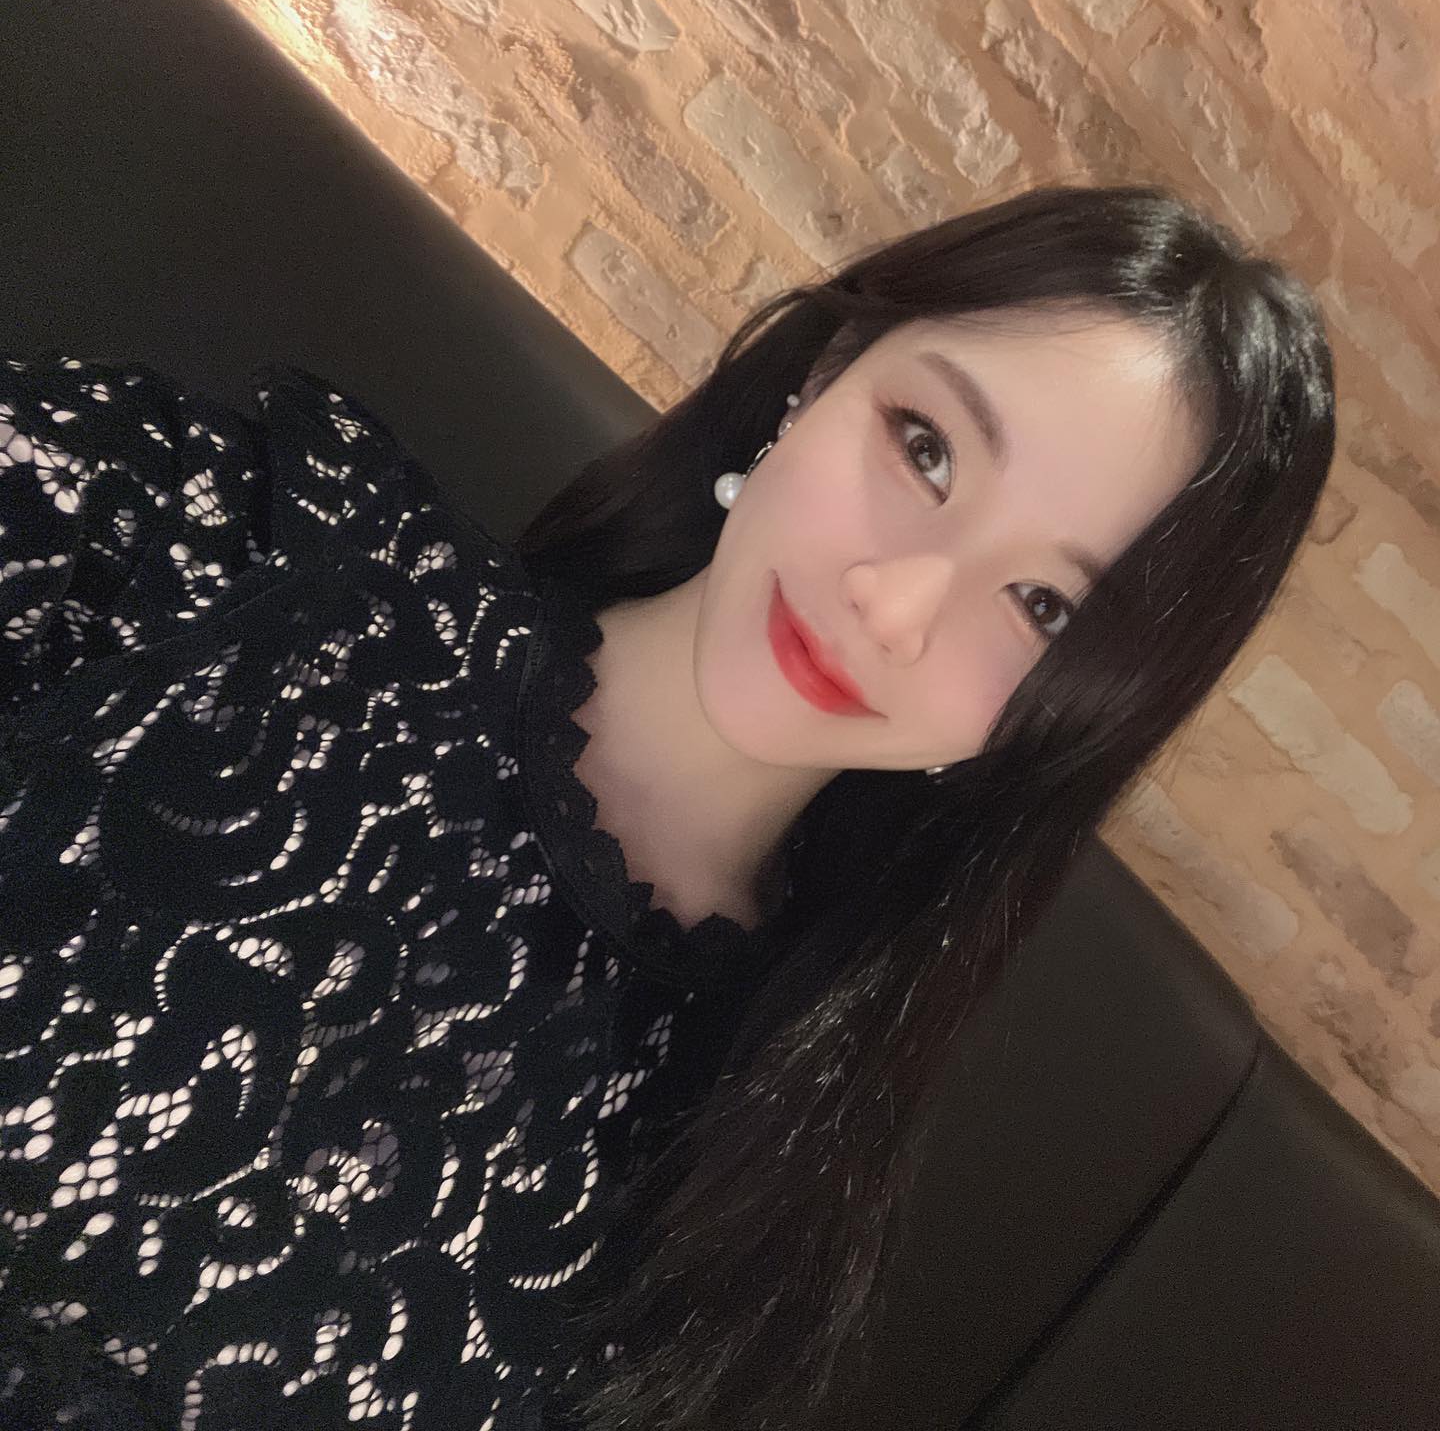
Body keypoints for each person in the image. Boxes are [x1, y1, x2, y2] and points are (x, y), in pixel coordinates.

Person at [0, 182, 1334, 1431]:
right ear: (819, 377)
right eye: (924, 449)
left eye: (1043, 606)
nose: (894, 606)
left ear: (1073, 716)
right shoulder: (231, 546)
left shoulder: (757, 1181)